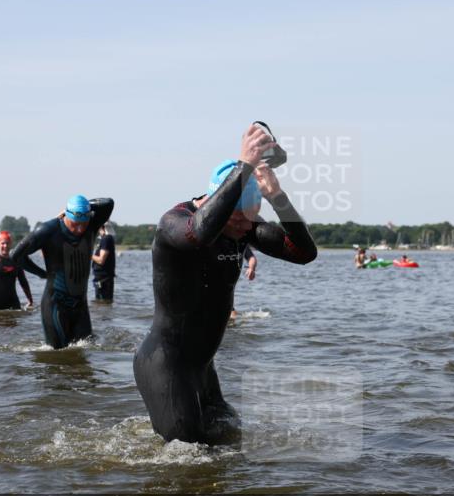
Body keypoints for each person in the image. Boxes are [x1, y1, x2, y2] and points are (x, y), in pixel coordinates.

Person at [134, 124, 317, 445]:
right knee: (185, 456)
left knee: (231, 442)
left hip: (204, 370)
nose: (245, 228)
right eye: (236, 220)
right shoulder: (173, 223)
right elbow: (199, 233)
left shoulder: (243, 227)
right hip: (166, 364)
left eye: (251, 219)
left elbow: (304, 252)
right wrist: (245, 165)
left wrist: (277, 196)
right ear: (217, 207)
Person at [10, 194, 114, 349]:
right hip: (55, 306)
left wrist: (85, 206)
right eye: (75, 223)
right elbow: (16, 256)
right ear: (66, 215)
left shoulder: (92, 225)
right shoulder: (48, 230)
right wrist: (41, 273)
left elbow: (108, 203)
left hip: (80, 307)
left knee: (86, 351)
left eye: (83, 224)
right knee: (57, 355)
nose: (79, 229)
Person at [0, 231, 45, 311]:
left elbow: (23, 281)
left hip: (12, 302)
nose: (5, 246)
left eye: (8, 243)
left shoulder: (16, 260)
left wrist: (30, 300)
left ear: (11, 244)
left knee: (15, 320)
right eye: (3, 243)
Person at [230, 246, 258, 319]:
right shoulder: (214, 239)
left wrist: (251, 268)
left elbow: (251, 257)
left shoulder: (240, 242)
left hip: (229, 284)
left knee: (232, 314)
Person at [91, 223, 117, 302]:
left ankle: (104, 315)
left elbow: (101, 260)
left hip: (104, 280)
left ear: (102, 228)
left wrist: (88, 254)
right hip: (102, 279)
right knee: (102, 304)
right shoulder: (106, 239)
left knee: (103, 303)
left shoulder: (106, 239)